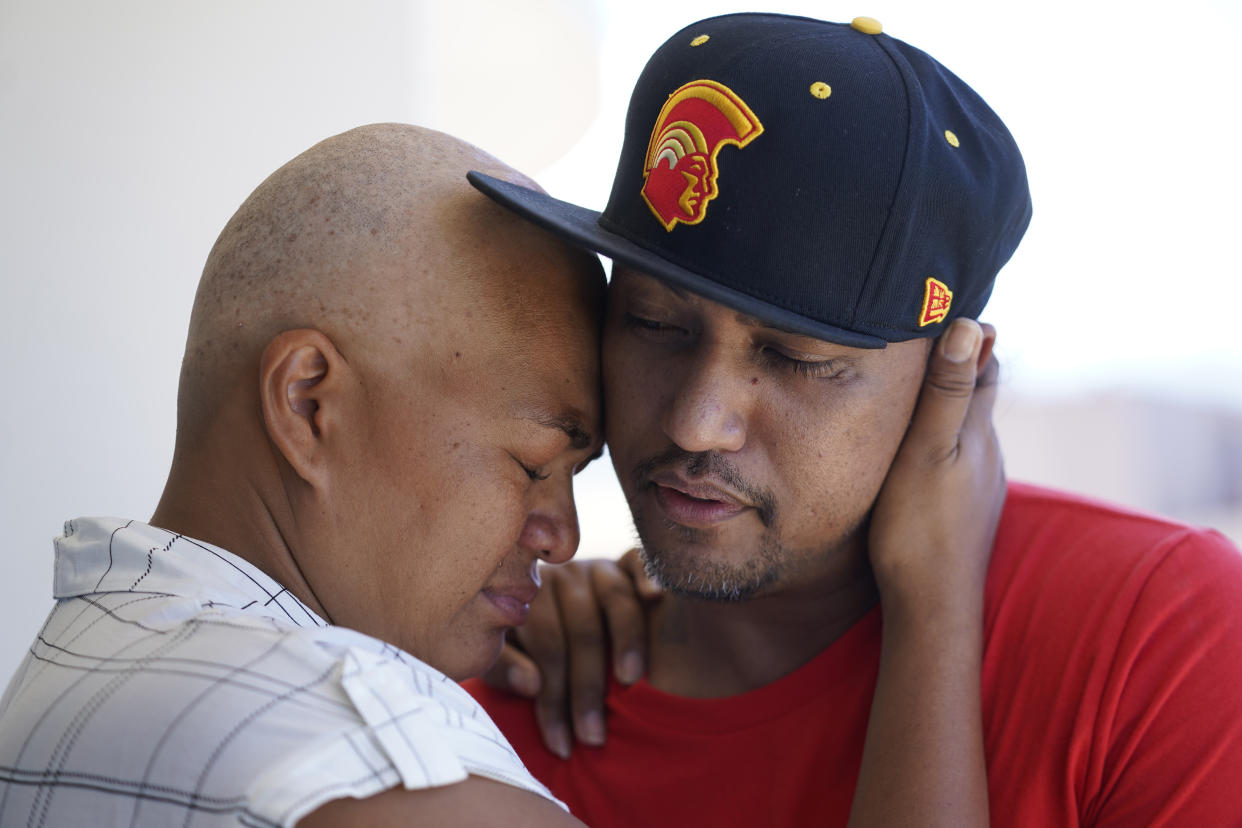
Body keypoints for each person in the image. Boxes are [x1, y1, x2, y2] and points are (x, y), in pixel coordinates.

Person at [0, 120, 1004, 826]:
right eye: (532, 461)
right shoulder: (379, 766)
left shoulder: (76, 672)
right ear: (310, 403)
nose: (563, 539)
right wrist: (941, 606)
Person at [463, 12, 1242, 827]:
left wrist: (936, 611)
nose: (697, 422)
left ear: (956, 378)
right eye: (656, 324)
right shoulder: (503, 690)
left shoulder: (1154, 638)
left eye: (800, 360)